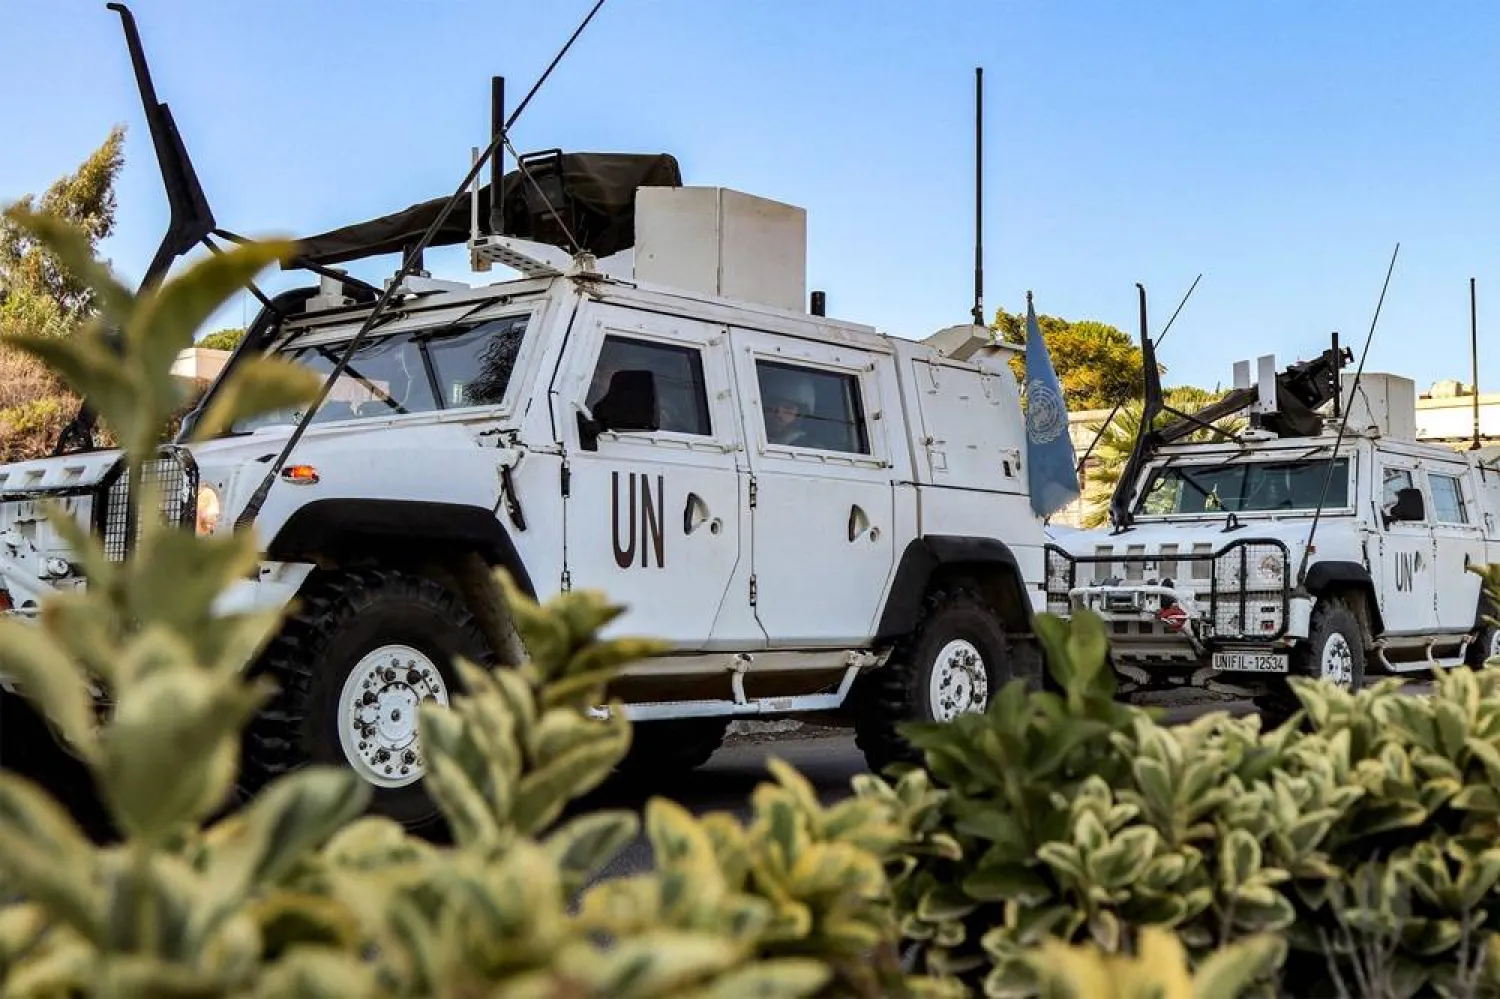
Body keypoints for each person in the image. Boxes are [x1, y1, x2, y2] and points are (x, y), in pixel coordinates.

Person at [764, 376, 817, 447]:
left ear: (801, 414)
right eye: (773, 405)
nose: (779, 414)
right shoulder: (758, 440)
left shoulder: (810, 449)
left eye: (788, 408)